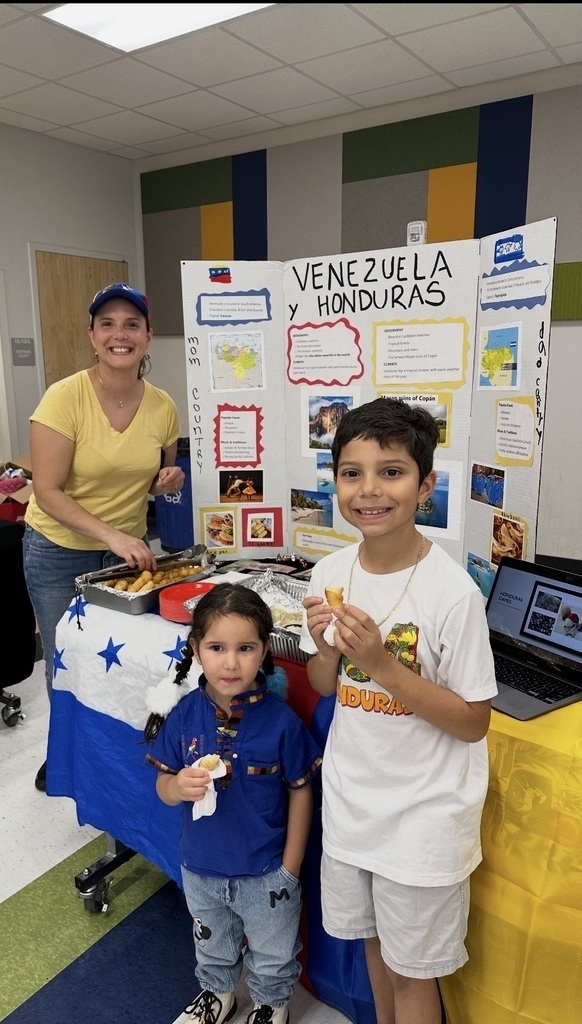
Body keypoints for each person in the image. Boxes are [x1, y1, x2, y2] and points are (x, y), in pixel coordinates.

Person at [300, 398, 497, 1024]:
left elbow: (473, 720)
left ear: (425, 486)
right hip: (354, 805)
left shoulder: (452, 592)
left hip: (422, 820)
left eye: (391, 472)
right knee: (375, 955)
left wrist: (384, 666)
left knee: (415, 977)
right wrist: (329, 650)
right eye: (352, 473)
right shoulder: (331, 570)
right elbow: (324, 685)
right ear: (334, 482)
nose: (369, 490)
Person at [23, 282, 185, 792]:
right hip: (57, 551)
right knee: (65, 660)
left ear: (148, 337)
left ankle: (112, 756)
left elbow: (165, 471)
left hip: (123, 555)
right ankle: (67, 757)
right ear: (92, 336)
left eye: (132, 324)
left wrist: (170, 481)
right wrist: (112, 535)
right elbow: (46, 491)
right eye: (108, 324)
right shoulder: (63, 397)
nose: (121, 334)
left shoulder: (162, 406)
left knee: (118, 658)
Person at [144, 583, 323, 1024]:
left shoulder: (282, 722)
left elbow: (302, 790)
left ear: (265, 651)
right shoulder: (185, 714)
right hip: (201, 867)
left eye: (245, 648)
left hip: (267, 874)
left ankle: (270, 1003)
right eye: (216, 647)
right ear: (196, 650)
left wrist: (290, 868)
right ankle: (218, 995)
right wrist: (176, 786)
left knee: (273, 951)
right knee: (211, 943)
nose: (230, 662)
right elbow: (162, 786)